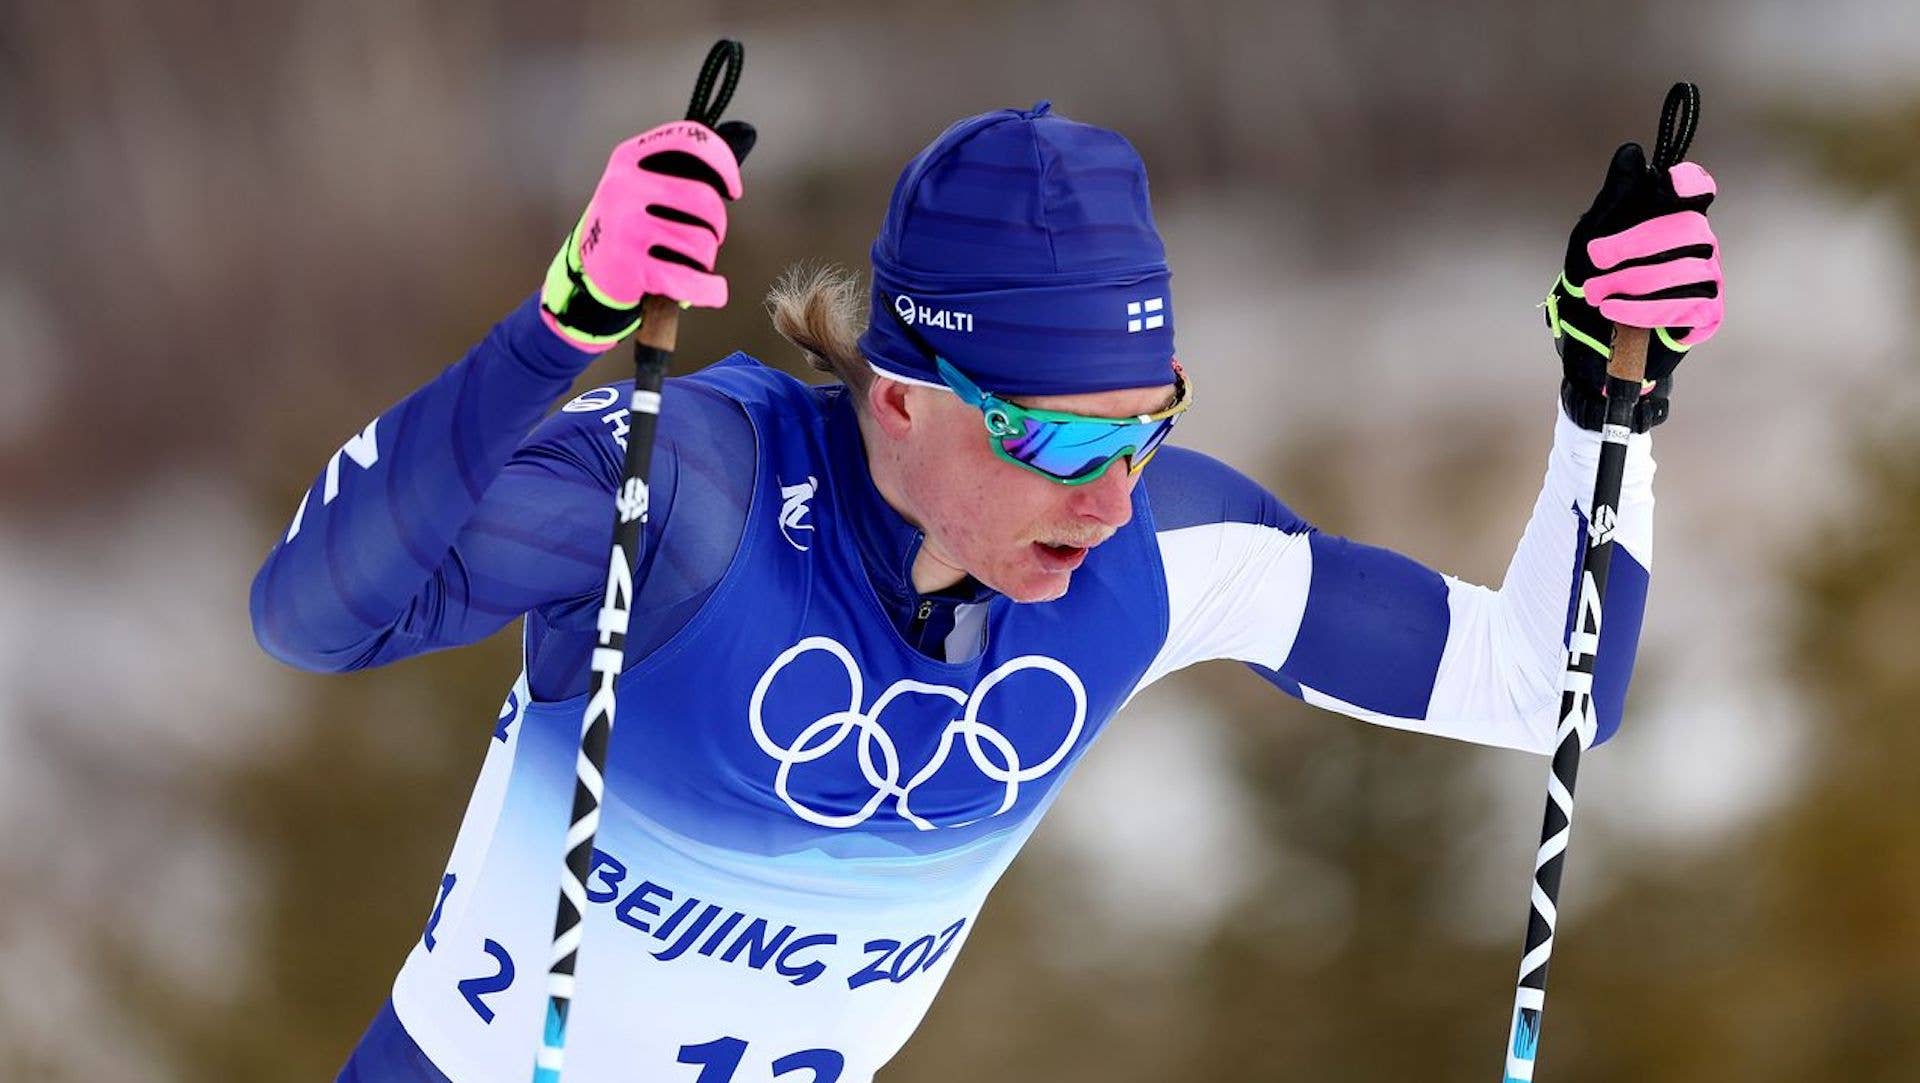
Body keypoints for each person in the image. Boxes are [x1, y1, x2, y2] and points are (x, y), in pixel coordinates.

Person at [250, 100, 1723, 1082]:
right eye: (1057, 440)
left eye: (1151, 425)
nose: (1113, 495)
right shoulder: (691, 491)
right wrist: (557, 323)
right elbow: (309, 618)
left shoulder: (1154, 564)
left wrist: (1609, 402)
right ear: (898, 397)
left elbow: (1554, 688)